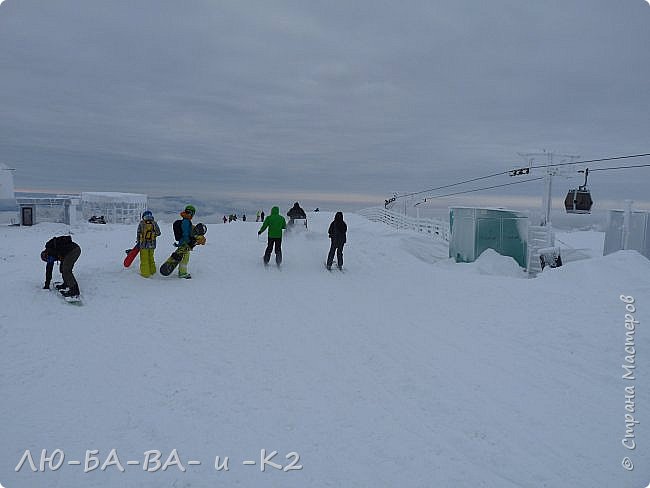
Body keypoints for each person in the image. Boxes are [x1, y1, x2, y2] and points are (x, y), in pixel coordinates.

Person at [137, 210, 161, 278]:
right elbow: (159, 233)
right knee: (151, 258)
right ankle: (153, 272)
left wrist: (138, 241)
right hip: (152, 245)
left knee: (144, 260)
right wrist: (153, 235)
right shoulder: (154, 223)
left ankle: (145, 274)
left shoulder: (141, 223)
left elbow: (138, 233)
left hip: (143, 245)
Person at [177, 205, 196, 278]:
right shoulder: (186, 221)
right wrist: (188, 241)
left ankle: (181, 271)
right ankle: (182, 273)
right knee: (185, 258)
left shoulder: (186, 220)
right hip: (184, 243)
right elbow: (185, 233)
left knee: (183, 257)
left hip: (183, 242)